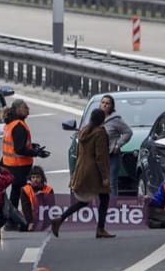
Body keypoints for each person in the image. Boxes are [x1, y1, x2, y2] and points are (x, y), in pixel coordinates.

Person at [51, 108, 114, 238]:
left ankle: (61, 219)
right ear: (102, 120)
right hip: (94, 172)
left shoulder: (84, 131)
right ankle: (100, 228)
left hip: (83, 169)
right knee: (103, 198)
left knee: (85, 200)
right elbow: (100, 156)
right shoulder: (100, 133)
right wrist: (105, 176)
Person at [1, 99, 49, 210]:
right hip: (19, 167)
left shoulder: (11, 124)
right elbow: (19, 149)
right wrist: (36, 153)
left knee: (16, 191)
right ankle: (21, 218)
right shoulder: (18, 126)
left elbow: (17, 144)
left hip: (11, 165)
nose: (28, 110)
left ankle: (14, 218)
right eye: (25, 107)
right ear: (17, 109)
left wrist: (32, 146)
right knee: (22, 193)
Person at [100, 95, 133, 196]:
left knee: (111, 182)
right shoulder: (96, 117)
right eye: (103, 103)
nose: (105, 105)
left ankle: (113, 205)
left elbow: (128, 132)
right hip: (99, 155)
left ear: (112, 106)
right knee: (98, 181)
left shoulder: (116, 119)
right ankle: (98, 205)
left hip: (112, 155)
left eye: (107, 103)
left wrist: (117, 145)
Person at [20, 166, 53, 231]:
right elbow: (26, 207)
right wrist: (30, 222)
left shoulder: (49, 190)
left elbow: (52, 207)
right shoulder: (25, 190)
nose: (35, 180)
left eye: (38, 177)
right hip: (29, 217)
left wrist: (43, 197)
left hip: (44, 217)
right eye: (33, 177)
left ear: (42, 178)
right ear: (30, 178)